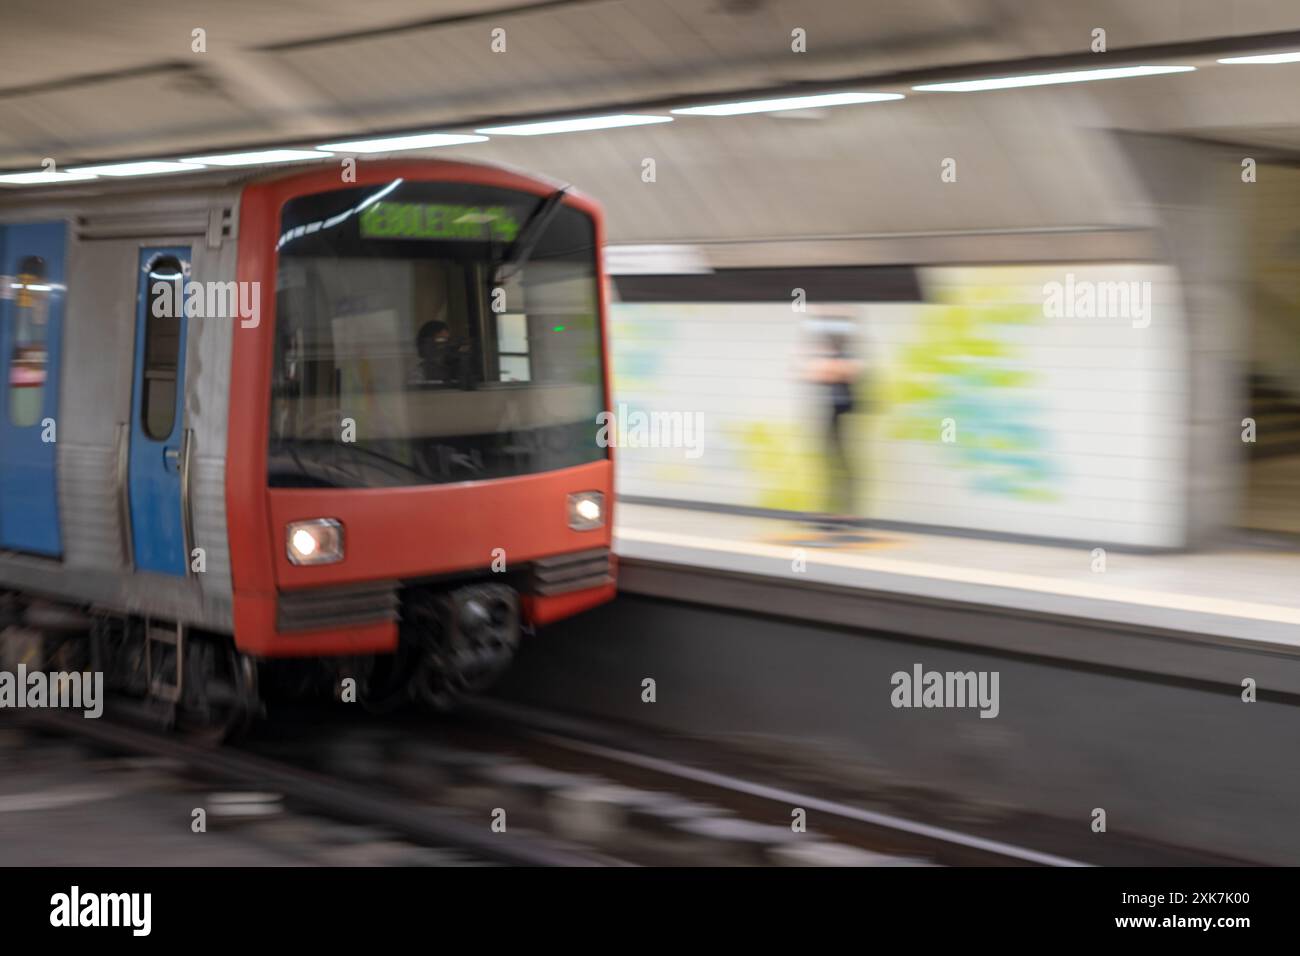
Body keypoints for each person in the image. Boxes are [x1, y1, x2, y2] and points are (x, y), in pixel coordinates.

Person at [803, 326, 863, 528]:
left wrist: (829, 368)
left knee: (841, 463)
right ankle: (834, 510)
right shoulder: (841, 360)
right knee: (832, 463)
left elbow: (825, 374)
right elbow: (820, 375)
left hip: (840, 415)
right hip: (834, 413)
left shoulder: (846, 361)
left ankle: (844, 512)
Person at [411, 320, 472, 386]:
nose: (444, 347)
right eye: (439, 342)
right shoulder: (419, 374)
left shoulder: (456, 369)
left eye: (447, 341)